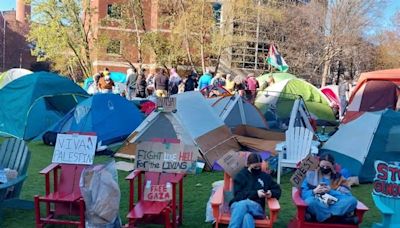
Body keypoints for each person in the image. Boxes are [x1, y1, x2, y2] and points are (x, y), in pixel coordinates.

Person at [301, 153, 358, 223]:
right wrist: (314, 191)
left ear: (332, 166)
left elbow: (347, 195)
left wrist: (331, 191)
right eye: (323, 166)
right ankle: (336, 219)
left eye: (328, 167)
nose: (325, 168)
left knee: (352, 200)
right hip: (318, 202)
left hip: (335, 203)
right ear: (319, 164)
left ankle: (324, 217)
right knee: (310, 202)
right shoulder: (311, 175)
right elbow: (303, 194)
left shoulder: (339, 178)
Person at [229, 153, 281, 228]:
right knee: (246, 216)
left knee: (244, 205)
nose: (257, 169)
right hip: (237, 205)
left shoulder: (265, 177)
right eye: (255, 167)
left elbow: (277, 190)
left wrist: (271, 193)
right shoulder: (240, 176)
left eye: (259, 167)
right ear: (248, 164)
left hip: (257, 207)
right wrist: (256, 194)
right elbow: (238, 196)